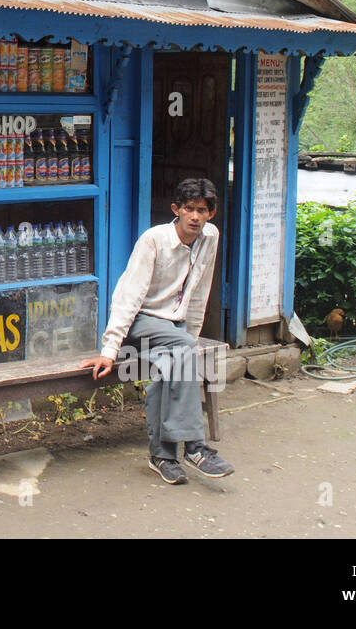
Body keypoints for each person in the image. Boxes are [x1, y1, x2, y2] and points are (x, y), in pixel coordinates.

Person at [80, 177, 234, 484]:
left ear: (211, 214)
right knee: (184, 351)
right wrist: (109, 350)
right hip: (141, 321)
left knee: (174, 362)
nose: (195, 217)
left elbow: (199, 290)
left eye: (202, 210)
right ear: (175, 209)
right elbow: (128, 297)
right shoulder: (154, 239)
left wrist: (189, 335)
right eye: (189, 209)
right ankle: (194, 446)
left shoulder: (209, 238)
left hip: (173, 328)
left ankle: (162, 456)